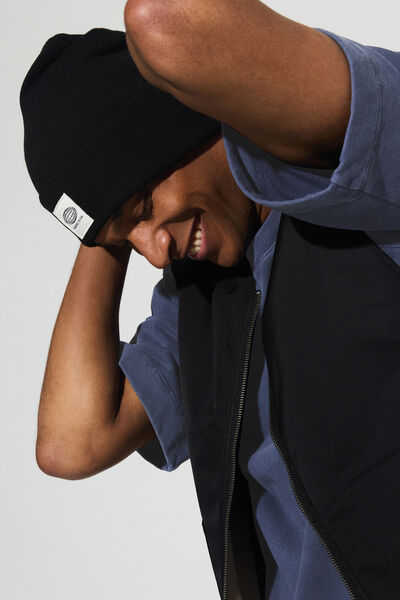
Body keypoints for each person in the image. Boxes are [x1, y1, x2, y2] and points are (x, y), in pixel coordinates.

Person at [20, 2, 400, 598]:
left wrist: (119, 186)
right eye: (127, 241)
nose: (154, 253)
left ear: (181, 123)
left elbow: (165, 21)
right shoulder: (198, 298)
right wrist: (102, 220)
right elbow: (72, 442)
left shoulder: (360, 168)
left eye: (145, 210)